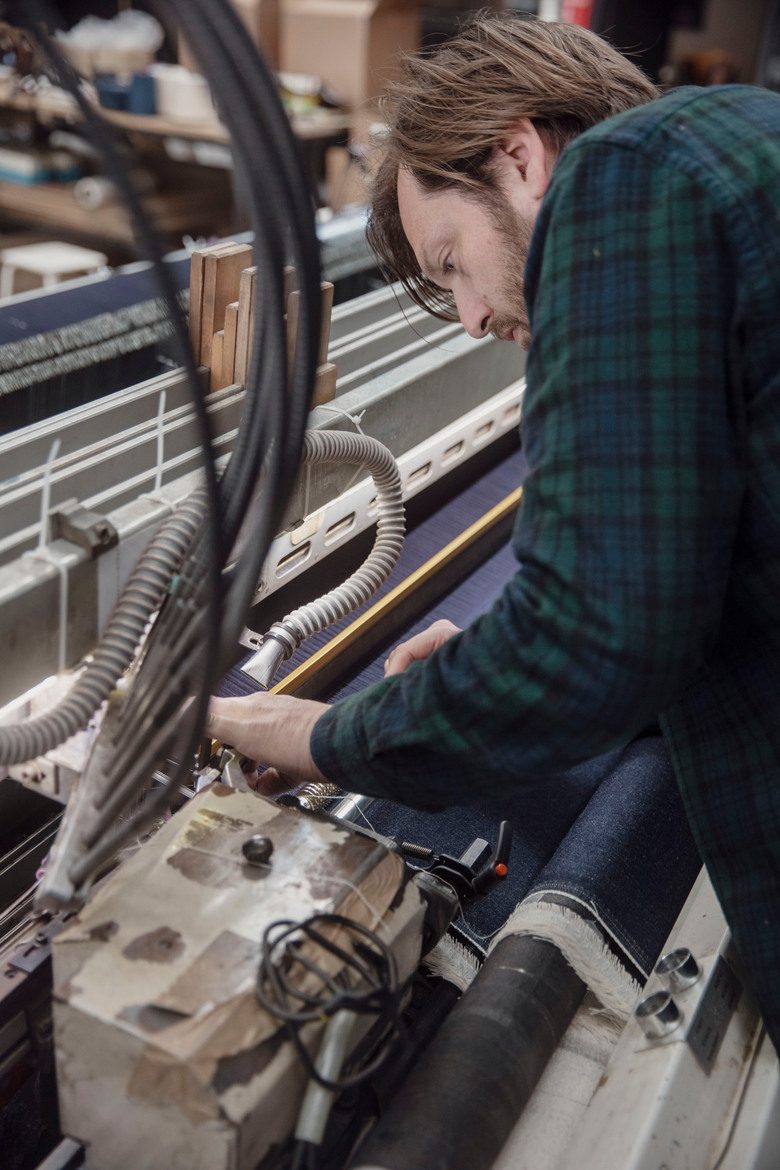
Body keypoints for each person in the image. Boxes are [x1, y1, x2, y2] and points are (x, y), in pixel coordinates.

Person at [209, 14, 780, 1050]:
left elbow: (593, 645)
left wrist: (315, 736)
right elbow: (704, 566)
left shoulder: (626, 177)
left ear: (520, 154)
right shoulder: (745, 137)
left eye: (454, 259)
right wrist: (490, 663)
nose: (472, 317)